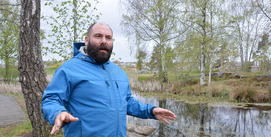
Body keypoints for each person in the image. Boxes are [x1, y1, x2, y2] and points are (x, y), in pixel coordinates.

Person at [41, 22, 176, 137]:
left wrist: (151, 111)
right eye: (98, 36)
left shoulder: (119, 72)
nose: (104, 41)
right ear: (87, 40)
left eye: (108, 37)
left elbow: (127, 102)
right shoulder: (69, 69)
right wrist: (58, 112)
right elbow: (51, 99)